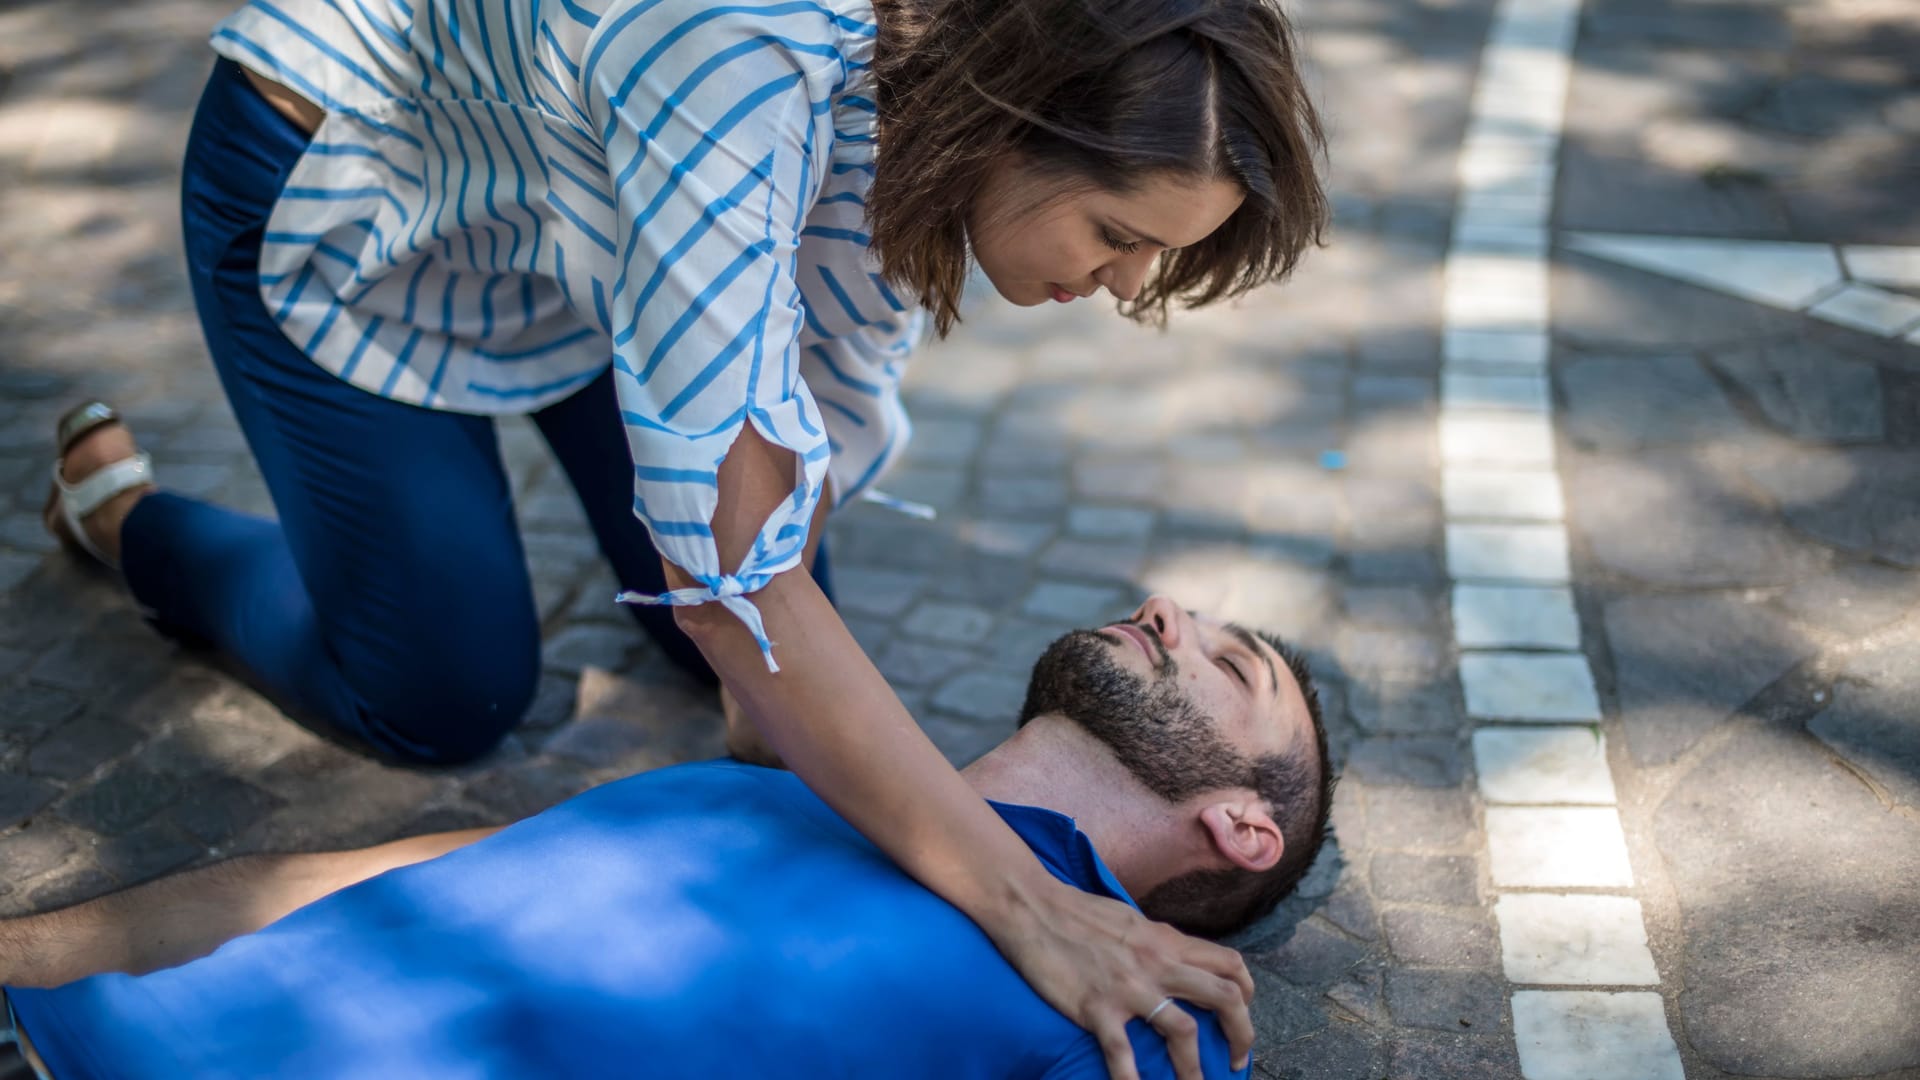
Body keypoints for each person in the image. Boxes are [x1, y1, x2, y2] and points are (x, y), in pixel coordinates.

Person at [37, 0, 1328, 1069]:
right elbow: (730, 588)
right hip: (363, 188)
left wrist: (784, 766)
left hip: (598, 229)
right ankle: (130, 523)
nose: (1126, 290)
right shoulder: (737, 41)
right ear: (1014, 116)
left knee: (766, 660)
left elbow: (809, 414)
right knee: (442, 694)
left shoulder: (930, 97)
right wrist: (1026, 904)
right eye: (1118, 236)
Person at [0, 597, 1332, 1079]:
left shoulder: (1154, 1007)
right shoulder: (774, 781)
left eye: (1235, 663)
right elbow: (352, 892)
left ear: (1241, 825)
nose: (1169, 611)